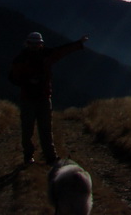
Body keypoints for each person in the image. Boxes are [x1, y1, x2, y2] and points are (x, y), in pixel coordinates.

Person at [9, 32, 89, 165]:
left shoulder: (45, 55)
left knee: (45, 129)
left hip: (43, 98)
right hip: (29, 98)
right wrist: (28, 81)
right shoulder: (22, 59)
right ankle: (29, 156)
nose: (35, 46)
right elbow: (13, 77)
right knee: (28, 130)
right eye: (32, 44)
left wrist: (78, 43)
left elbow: (62, 50)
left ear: (41, 44)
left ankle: (50, 157)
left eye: (37, 44)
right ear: (28, 44)